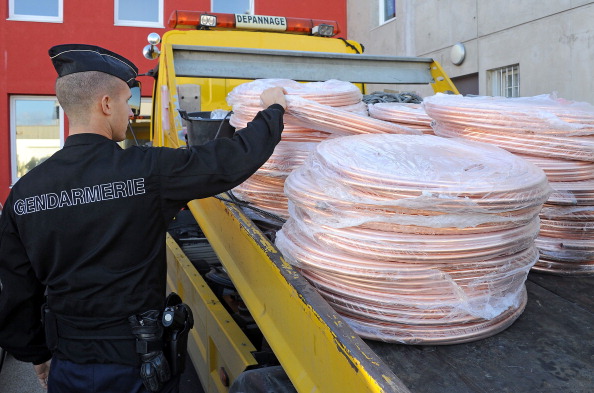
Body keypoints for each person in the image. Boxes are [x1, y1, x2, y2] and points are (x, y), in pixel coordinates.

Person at [0, 44, 287, 393]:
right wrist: (274, 110)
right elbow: (229, 160)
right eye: (126, 102)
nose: (131, 112)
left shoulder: (23, 194)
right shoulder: (146, 172)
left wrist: (36, 354)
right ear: (106, 104)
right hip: (135, 367)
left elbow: (18, 288)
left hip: (68, 363)